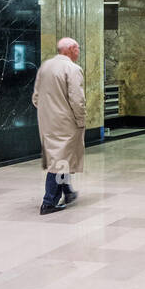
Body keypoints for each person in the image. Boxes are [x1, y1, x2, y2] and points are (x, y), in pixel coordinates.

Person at [32, 37, 85, 215]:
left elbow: (36, 97)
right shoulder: (72, 69)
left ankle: (68, 192)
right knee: (60, 160)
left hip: (47, 121)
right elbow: (77, 99)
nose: (78, 51)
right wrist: (81, 120)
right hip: (65, 122)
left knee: (61, 158)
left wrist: (49, 111)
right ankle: (49, 201)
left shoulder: (45, 66)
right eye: (77, 48)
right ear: (70, 49)